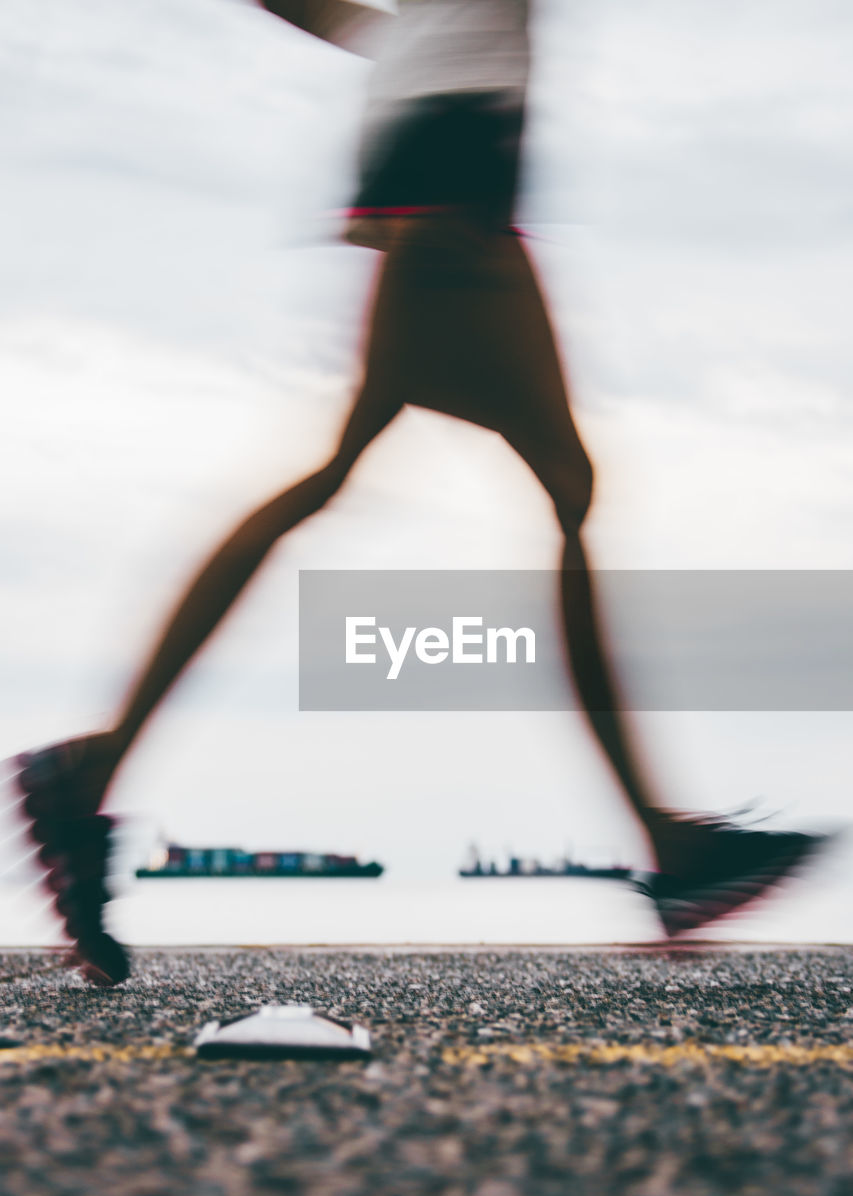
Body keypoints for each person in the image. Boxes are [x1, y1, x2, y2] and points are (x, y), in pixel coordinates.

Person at [13, 0, 827, 984]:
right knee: (388, 473)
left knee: (526, 478)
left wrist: (397, 44)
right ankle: (670, 849)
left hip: (444, 137)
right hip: (451, 152)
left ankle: (671, 846)